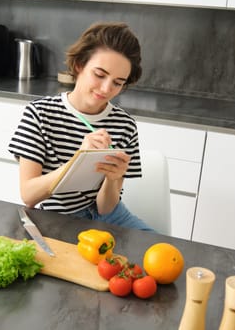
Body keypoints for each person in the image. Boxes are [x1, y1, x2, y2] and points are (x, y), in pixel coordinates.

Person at [8, 22, 153, 231]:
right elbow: (28, 195)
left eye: (118, 82)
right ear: (79, 65)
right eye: (100, 75)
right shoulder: (39, 114)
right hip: (59, 219)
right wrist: (77, 161)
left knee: (163, 257)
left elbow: (106, 208)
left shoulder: (125, 125)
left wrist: (113, 180)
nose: (106, 89)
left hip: (113, 216)